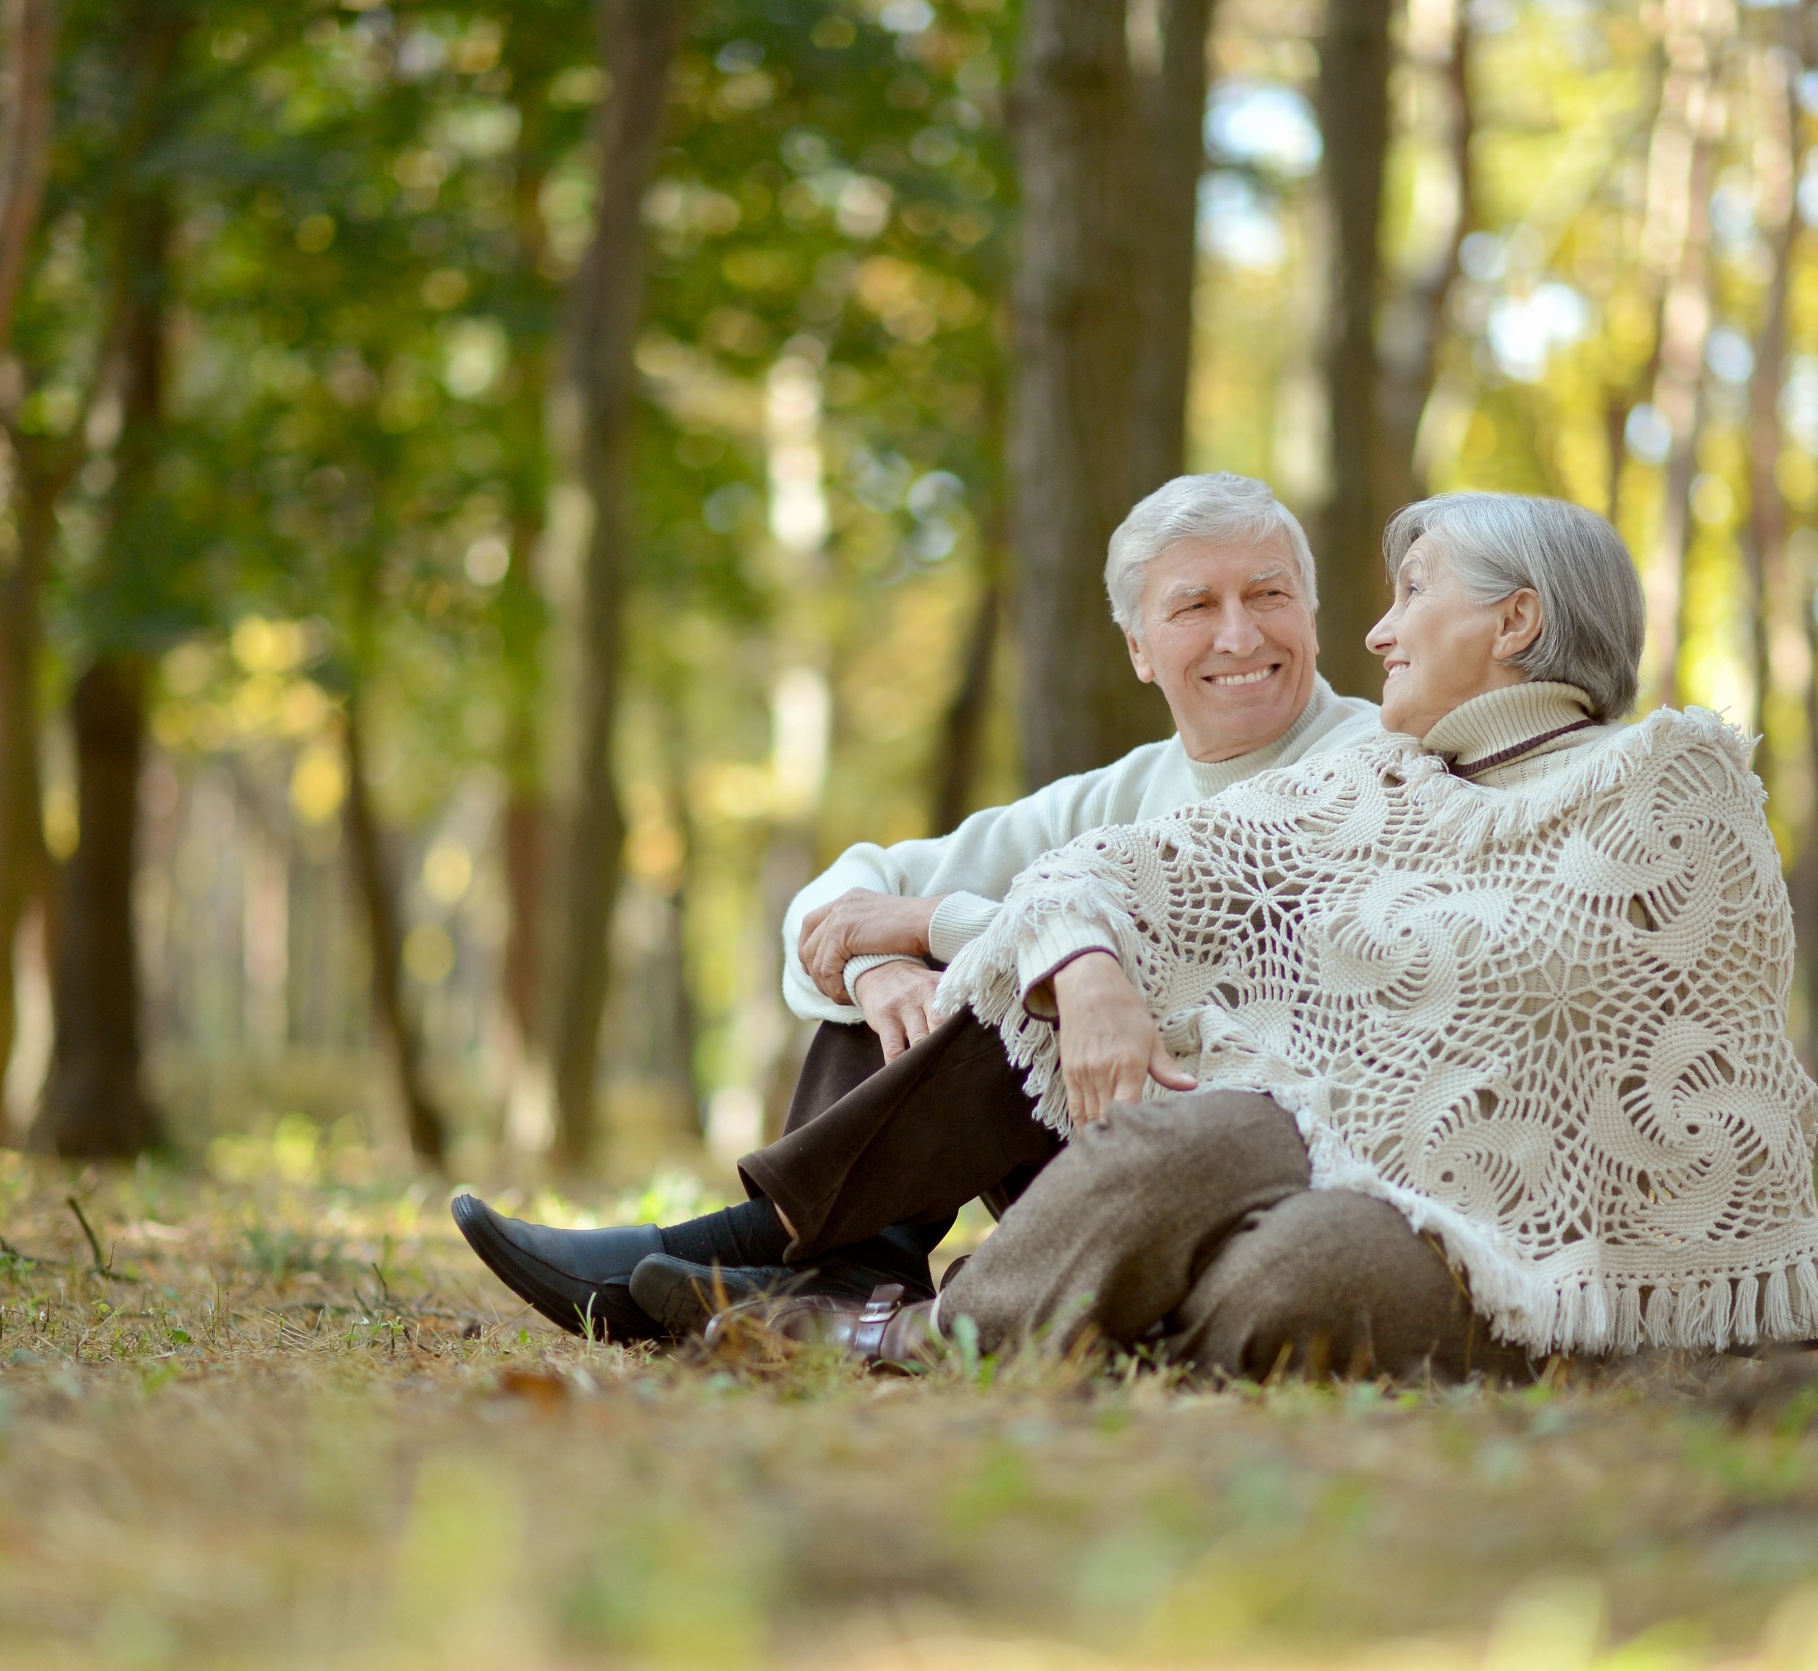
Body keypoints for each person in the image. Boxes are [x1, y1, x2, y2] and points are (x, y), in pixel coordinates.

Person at [725, 491, 1818, 1380]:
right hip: (1324, 1155)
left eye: (1412, 593)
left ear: (1514, 619)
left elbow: (1506, 978)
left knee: (1291, 1273)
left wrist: (962, 930)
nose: (1376, 628)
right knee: (1201, 1146)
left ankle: (917, 1311)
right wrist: (1058, 953)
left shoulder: (1665, 779)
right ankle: (842, 1290)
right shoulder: (1385, 784)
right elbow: (1130, 874)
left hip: (1534, 1238)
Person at [451, 472, 1382, 1339]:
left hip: (1224, 1172)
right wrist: (879, 961)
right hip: (1101, 1159)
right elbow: (842, 895)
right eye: (1194, 606)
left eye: (1267, 595)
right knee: (941, 969)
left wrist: (932, 926)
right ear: (1139, 649)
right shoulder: (1118, 792)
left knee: (1014, 966)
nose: (1239, 635)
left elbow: (1208, 978)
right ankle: (851, 1270)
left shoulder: (1377, 767)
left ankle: (750, 1239)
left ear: (1311, 608)